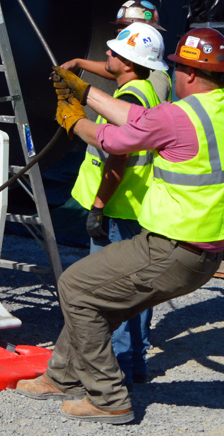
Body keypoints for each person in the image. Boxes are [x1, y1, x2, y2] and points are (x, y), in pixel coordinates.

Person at [17, 28, 224, 424]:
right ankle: (63, 376)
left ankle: (108, 398)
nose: (172, 74)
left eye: (177, 69)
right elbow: (138, 116)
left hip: (174, 248)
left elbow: (115, 140)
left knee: (75, 287)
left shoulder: (181, 116)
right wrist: (85, 92)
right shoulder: (223, 110)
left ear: (191, 74)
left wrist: (75, 122)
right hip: (202, 250)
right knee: (99, 300)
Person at [67, 21, 167, 386]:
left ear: (127, 62)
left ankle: (116, 369)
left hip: (116, 207)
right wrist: (79, 65)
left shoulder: (129, 99)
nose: (106, 53)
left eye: (113, 51)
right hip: (134, 205)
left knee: (107, 291)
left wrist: (97, 207)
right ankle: (133, 363)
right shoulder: (145, 90)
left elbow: (117, 158)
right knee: (133, 288)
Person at [59, 0, 172, 103]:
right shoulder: (143, 70)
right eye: (117, 34)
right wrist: (78, 63)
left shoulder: (156, 78)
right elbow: (117, 68)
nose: (118, 39)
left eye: (123, 33)